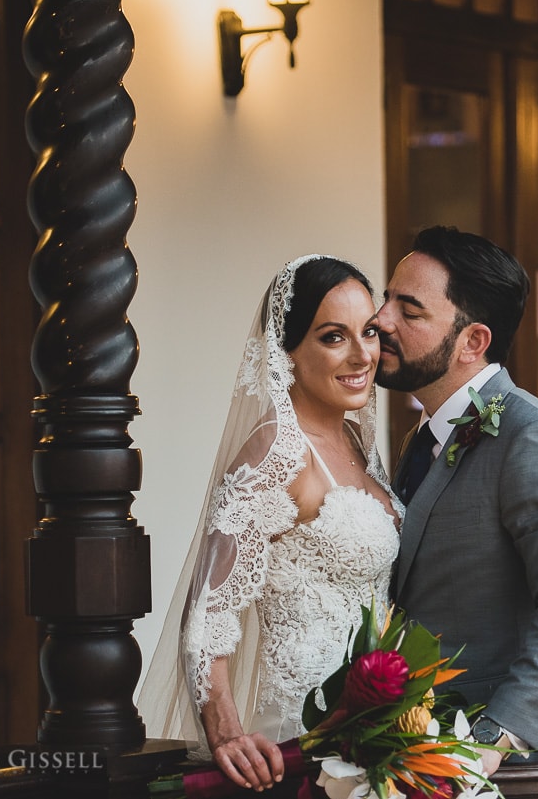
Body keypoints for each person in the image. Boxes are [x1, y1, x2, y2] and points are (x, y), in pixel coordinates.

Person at [138, 255, 402, 792]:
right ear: (287, 353)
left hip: (372, 734)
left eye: (368, 332)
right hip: (300, 744)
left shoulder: (354, 442)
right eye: (333, 337)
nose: (361, 355)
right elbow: (209, 611)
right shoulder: (276, 452)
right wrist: (227, 732)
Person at [374, 226, 538, 775]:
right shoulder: (420, 439)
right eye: (387, 298)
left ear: (473, 341)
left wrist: (491, 742)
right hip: (398, 748)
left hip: (497, 769)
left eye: (409, 311)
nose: (381, 320)